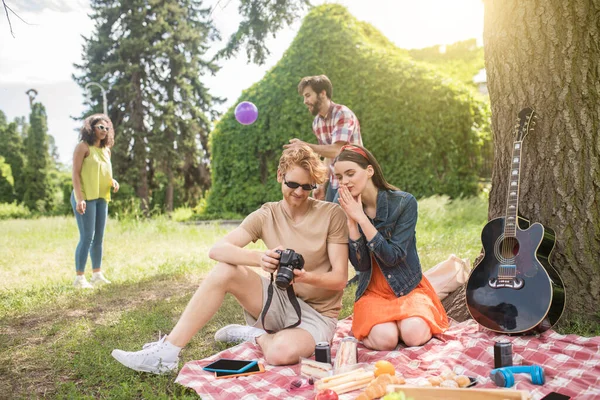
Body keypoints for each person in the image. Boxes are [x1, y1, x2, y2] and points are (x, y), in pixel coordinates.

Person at [111, 144, 349, 374]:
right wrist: (259, 258)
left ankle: (255, 335)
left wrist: (306, 277)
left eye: (307, 187)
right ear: (280, 175)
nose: (299, 192)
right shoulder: (266, 215)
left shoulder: (331, 214)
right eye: (292, 184)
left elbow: (339, 279)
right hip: (281, 300)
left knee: (279, 353)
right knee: (225, 270)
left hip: (319, 315)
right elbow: (218, 250)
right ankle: (166, 354)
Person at [333, 144, 448, 350]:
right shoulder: (342, 204)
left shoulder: (404, 203)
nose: (345, 182)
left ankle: (403, 323)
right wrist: (351, 223)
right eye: (340, 177)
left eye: (350, 173)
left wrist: (361, 217)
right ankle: (387, 326)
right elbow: (361, 265)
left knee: (412, 335)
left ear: (369, 171)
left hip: (407, 286)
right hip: (372, 290)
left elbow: (393, 257)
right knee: (386, 340)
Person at [286, 75, 362, 203]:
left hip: (352, 178)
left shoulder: (342, 114)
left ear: (322, 93)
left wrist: (305, 146)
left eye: (308, 95)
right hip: (334, 181)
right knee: (330, 218)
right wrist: (321, 184)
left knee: (340, 220)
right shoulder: (317, 123)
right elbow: (327, 155)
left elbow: (337, 150)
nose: (305, 101)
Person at [71, 114, 119, 289]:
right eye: (100, 127)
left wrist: (112, 181)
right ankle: (79, 278)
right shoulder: (83, 147)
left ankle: (97, 274)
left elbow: (105, 172)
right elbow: (75, 174)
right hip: (85, 198)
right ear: (91, 129)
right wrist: (79, 198)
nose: (104, 131)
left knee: (98, 237)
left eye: (107, 128)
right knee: (87, 237)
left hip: (101, 197)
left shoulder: (106, 150)